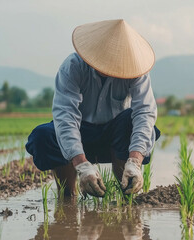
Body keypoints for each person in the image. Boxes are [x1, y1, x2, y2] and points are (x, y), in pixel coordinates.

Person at [25, 19, 160, 198]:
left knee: (130, 120)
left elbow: (145, 112)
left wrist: (134, 161)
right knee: (44, 135)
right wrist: (82, 165)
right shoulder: (73, 66)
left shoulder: (135, 70)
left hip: (115, 136)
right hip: (81, 133)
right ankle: (67, 196)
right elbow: (66, 115)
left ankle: (127, 192)